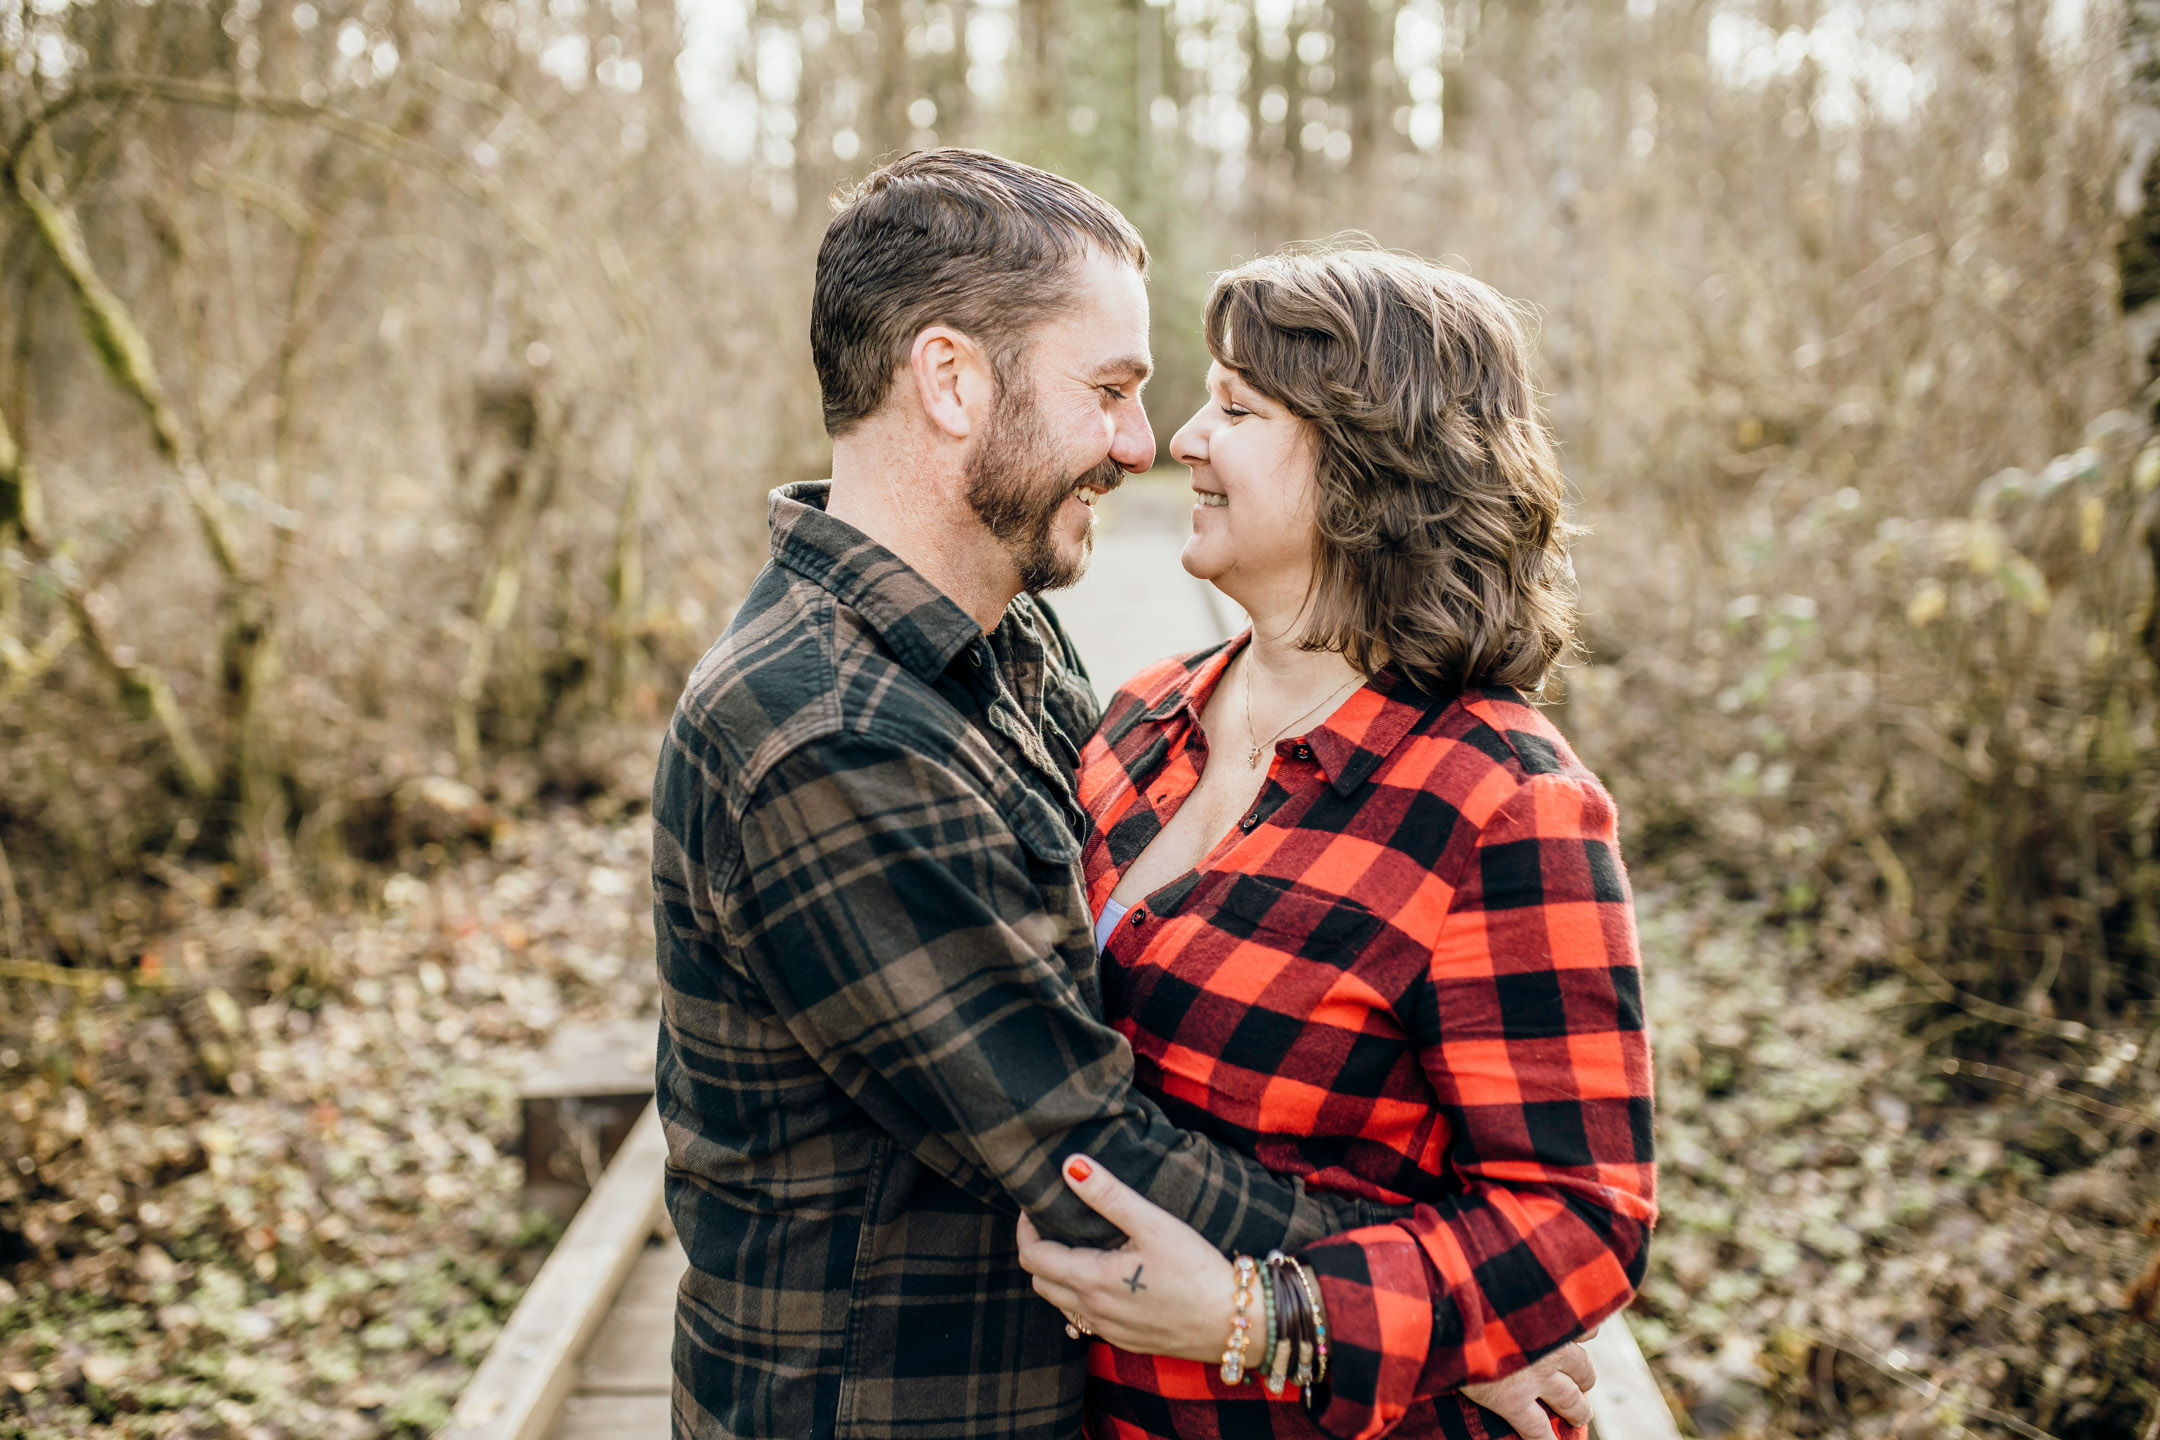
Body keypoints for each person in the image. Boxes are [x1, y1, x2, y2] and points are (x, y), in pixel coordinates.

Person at [652, 151, 1596, 1440]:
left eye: (1217, 409)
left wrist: (1405, 1311)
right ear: (951, 381)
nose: (1146, 446)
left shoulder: (1005, 648)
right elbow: (1082, 1140)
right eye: (1110, 391)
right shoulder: (825, 732)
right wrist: (1424, 1321)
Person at [1016, 242, 1657, 1440]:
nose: (1185, 440)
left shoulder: (1501, 804)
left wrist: (1268, 1315)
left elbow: (1579, 1219)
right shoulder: (1144, 720)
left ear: (1372, 467)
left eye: (1236, 408)